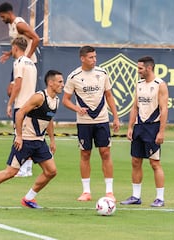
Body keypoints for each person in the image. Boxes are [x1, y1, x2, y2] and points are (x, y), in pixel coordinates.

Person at [0, 70, 64, 209]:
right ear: (51, 83)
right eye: (60, 82)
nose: (63, 84)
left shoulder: (56, 100)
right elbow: (20, 113)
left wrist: (52, 139)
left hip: (39, 142)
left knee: (51, 171)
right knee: (10, 172)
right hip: (25, 140)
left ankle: (28, 199)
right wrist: (19, 136)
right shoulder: (39, 97)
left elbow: (48, 119)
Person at [62, 45, 120, 202]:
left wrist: (115, 117)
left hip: (102, 120)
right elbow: (65, 100)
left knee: (105, 153)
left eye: (95, 57)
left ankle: (109, 192)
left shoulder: (102, 73)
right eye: (91, 57)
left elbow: (109, 95)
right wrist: (76, 108)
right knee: (85, 154)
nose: (94, 60)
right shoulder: (74, 76)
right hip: (84, 123)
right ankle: (86, 191)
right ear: (82, 58)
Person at [0, 2, 41, 177]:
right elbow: (20, 43)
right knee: (13, 91)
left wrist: (26, 58)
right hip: (24, 62)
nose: (2, 20)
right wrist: (10, 53)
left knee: (17, 94)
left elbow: (36, 38)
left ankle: (23, 165)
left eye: (2, 16)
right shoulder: (12, 27)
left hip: (27, 64)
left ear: (8, 13)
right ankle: (25, 165)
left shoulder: (20, 24)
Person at [120, 56, 169, 207]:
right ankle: (136, 196)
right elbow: (135, 107)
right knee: (135, 161)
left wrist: (161, 132)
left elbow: (164, 109)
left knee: (155, 163)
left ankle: (160, 198)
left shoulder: (160, 85)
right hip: (139, 127)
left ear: (149, 68)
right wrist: (130, 127)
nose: (138, 71)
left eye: (140, 68)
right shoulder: (139, 84)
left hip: (152, 128)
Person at [6, 37, 37, 177]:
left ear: (15, 48)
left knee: (19, 136)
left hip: (21, 105)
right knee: (28, 135)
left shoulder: (18, 63)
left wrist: (10, 103)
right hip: (32, 104)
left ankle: (22, 169)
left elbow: (17, 85)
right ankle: (28, 168)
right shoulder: (31, 63)